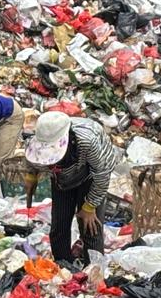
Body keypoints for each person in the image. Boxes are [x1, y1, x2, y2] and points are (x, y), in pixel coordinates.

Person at [23, 111, 121, 264]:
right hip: (62, 178)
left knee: (90, 227)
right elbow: (31, 158)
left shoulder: (88, 141)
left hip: (91, 176)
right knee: (59, 224)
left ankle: (94, 270)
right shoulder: (34, 141)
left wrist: (89, 207)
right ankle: (63, 266)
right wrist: (31, 176)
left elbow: (102, 175)